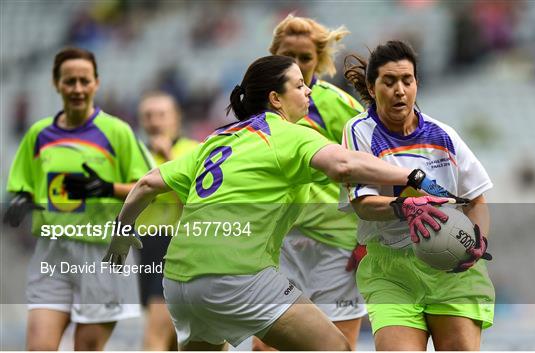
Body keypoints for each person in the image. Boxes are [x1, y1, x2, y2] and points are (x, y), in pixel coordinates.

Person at [103, 55, 456, 351]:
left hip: (180, 283)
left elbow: (148, 183)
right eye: (300, 85)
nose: (308, 91)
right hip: (237, 276)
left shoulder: (218, 139)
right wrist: (412, 176)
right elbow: (345, 163)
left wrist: (121, 233)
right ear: (275, 98)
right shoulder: (288, 133)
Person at [342, 40, 495, 351]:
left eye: (406, 80)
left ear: (416, 85)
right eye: (389, 81)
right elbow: (363, 205)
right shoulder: (359, 132)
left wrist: (477, 242)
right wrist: (405, 207)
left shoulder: (444, 135)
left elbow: (477, 201)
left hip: (453, 268)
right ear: (372, 88)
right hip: (392, 271)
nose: (400, 90)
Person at [3, 47, 152, 350]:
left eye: (84, 81)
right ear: (56, 84)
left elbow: (147, 186)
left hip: (103, 255)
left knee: (86, 349)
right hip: (52, 252)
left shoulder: (117, 132)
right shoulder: (38, 135)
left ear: (96, 83)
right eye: (69, 81)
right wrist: (19, 202)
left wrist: (107, 188)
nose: (77, 89)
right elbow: (23, 187)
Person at [252, 15, 367, 351]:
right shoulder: (258, 108)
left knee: (338, 345)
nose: (298, 65)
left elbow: (370, 166)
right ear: (274, 55)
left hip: (337, 245)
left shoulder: (337, 105)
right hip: (280, 240)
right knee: (264, 347)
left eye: (306, 58)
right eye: (289, 56)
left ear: (319, 59)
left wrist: (367, 239)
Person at [137, 91, 199, 350]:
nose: (155, 122)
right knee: (174, 337)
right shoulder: (136, 155)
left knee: (157, 333)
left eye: (162, 115)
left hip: (180, 245)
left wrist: (170, 156)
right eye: (148, 116)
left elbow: (198, 199)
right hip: (146, 247)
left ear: (177, 118)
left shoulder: (193, 150)